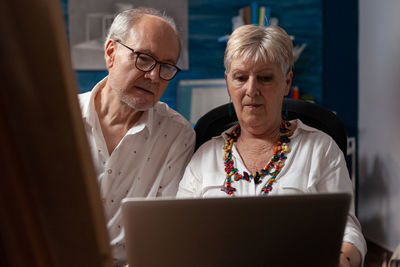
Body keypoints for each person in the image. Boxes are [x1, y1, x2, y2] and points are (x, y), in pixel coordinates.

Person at [177, 24, 367, 267]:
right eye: (240, 77)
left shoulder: (320, 149)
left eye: (265, 78)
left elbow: (347, 230)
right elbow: (180, 234)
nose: (251, 89)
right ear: (228, 82)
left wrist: (343, 259)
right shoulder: (204, 157)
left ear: (287, 82)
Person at [78, 7, 195, 266]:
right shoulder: (59, 118)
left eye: (166, 67)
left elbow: (163, 237)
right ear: (111, 53)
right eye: (144, 58)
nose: (154, 76)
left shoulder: (177, 135)